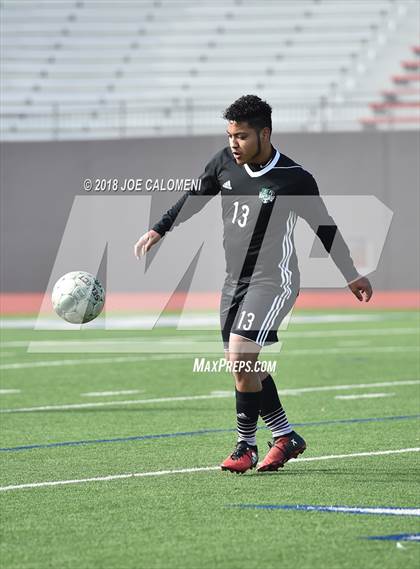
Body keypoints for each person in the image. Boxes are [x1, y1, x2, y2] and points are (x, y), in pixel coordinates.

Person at [134, 95, 372, 474]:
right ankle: (286, 436)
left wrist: (350, 274)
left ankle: (245, 446)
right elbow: (195, 197)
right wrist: (159, 228)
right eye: (230, 135)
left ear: (265, 133)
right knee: (243, 366)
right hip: (234, 281)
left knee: (240, 354)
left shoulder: (295, 178)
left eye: (242, 136)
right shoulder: (224, 162)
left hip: (274, 280)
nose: (234, 143)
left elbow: (323, 227)